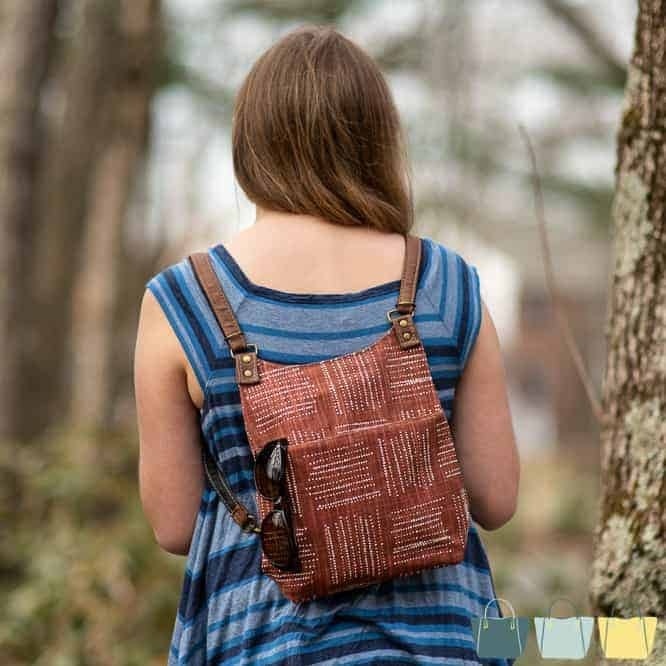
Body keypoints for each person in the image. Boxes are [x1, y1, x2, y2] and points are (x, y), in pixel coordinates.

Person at [134, 23, 520, 666]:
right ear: (377, 142)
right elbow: (496, 499)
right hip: (444, 642)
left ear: (250, 145)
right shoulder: (446, 283)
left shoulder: (185, 301)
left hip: (264, 642)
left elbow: (174, 526)